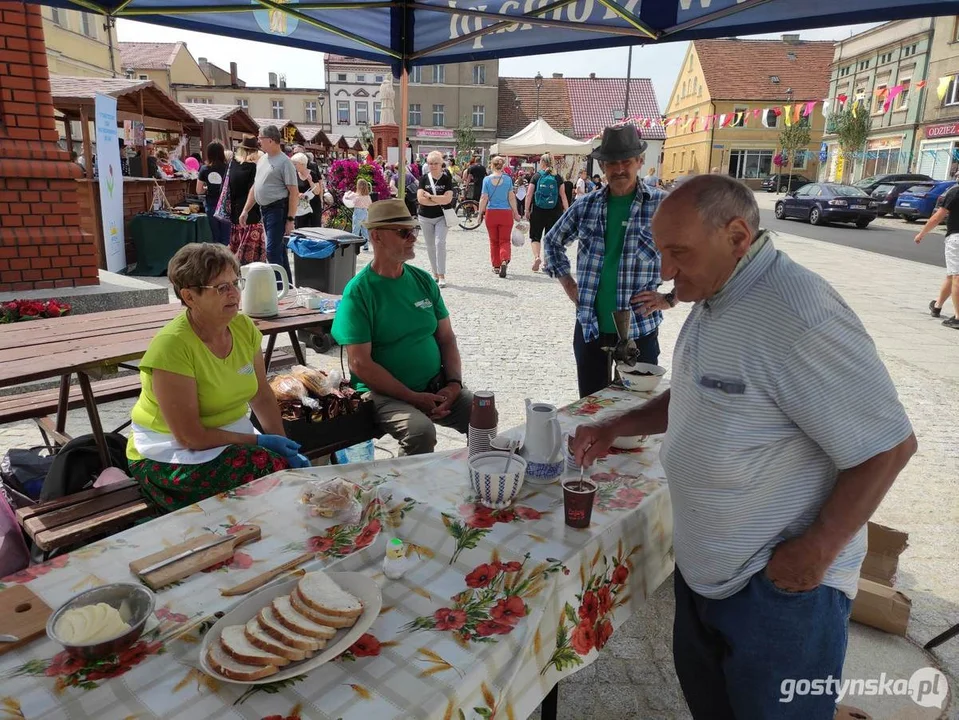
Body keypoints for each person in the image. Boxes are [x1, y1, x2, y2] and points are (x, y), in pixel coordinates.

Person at [573, 175, 917, 719]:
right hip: (708, 572)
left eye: (678, 252)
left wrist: (812, 555)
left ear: (737, 236)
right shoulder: (719, 294)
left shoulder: (797, 312)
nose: (665, 271)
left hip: (778, 594)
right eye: (660, 251)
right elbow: (698, 394)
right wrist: (620, 424)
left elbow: (889, 447)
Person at [126, 243, 310, 512]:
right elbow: (190, 437)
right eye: (221, 287)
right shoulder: (172, 347)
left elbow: (261, 395)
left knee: (279, 471)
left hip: (229, 440)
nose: (234, 293)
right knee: (265, 473)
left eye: (236, 282)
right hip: (168, 451)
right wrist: (261, 442)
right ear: (190, 297)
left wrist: (284, 446)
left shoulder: (242, 327)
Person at [331, 199, 473, 456]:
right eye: (403, 232)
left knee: (482, 412)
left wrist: (453, 384)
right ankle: (405, 492)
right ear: (376, 237)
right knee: (420, 431)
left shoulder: (422, 280)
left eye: (414, 230)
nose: (412, 238)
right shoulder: (360, 291)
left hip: (434, 385)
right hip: (381, 393)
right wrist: (413, 397)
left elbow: (447, 338)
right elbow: (359, 364)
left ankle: (480, 474)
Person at [544, 125, 673, 398]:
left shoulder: (664, 206)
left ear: (640, 162)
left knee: (638, 410)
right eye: (612, 163)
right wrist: (569, 284)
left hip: (641, 329)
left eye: (626, 161)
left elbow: (698, 254)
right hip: (590, 327)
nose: (619, 169)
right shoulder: (585, 206)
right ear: (603, 166)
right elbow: (552, 241)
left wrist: (669, 299)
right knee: (591, 410)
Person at [239, 125, 297, 285]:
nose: (258, 141)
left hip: (278, 209)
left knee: (272, 250)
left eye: (260, 138)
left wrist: (290, 219)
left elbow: (294, 192)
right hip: (265, 209)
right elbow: (256, 187)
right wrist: (246, 210)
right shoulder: (263, 159)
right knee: (278, 251)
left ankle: (279, 287)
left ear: (270, 140)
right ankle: (286, 286)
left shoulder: (285, 162)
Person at [914, 185, 959, 328]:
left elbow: (938, 216)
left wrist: (922, 233)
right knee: (951, 274)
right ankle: (938, 305)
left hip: (956, 238)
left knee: (957, 275)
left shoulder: (955, 191)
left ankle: (958, 318)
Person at [479, 156, 522, 279]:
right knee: (504, 240)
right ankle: (504, 259)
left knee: (493, 241)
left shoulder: (486, 180)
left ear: (491, 165)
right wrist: (516, 212)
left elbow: (484, 198)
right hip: (505, 213)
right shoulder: (508, 180)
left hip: (491, 213)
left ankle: (496, 266)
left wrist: (479, 213)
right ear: (503, 166)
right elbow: (511, 197)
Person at [417, 150, 455, 287]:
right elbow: (421, 199)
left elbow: (448, 199)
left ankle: (442, 275)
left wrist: (431, 197)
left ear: (441, 164)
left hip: (441, 216)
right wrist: (439, 199)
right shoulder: (423, 179)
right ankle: (434, 274)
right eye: (430, 163)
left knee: (440, 244)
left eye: (436, 163)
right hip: (425, 217)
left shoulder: (446, 179)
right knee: (430, 246)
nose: (433, 166)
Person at [526, 154, 568, 272]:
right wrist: (567, 210)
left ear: (542, 162)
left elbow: (529, 194)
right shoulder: (558, 177)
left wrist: (526, 210)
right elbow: (563, 195)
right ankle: (547, 262)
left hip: (538, 210)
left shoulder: (537, 176)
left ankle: (537, 257)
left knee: (535, 236)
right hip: (554, 211)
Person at [227, 136, 266, 265]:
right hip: (251, 214)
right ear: (254, 152)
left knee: (235, 251)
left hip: (235, 213)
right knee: (251, 257)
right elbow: (254, 191)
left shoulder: (232, 165)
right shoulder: (253, 168)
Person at [197, 142, 230, 245]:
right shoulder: (228, 167)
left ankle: (217, 259)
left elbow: (199, 190)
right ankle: (228, 258)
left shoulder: (204, 169)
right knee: (227, 236)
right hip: (226, 204)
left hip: (211, 204)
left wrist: (207, 188)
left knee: (215, 236)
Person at [291, 152, 322, 229]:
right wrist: (298, 194)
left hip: (313, 205)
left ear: (302, 164)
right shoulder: (294, 175)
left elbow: (317, 191)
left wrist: (310, 181)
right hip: (300, 206)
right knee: (300, 228)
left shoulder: (312, 174)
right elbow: (292, 190)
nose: (293, 166)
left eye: (295, 164)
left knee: (314, 228)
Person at [345, 179, 373, 250]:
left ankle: (354, 245)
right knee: (365, 230)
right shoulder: (368, 196)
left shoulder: (356, 195)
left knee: (356, 230)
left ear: (358, 186)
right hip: (365, 213)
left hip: (358, 213)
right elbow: (370, 205)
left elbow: (346, 197)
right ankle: (366, 246)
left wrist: (348, 193)